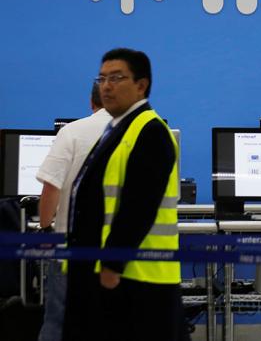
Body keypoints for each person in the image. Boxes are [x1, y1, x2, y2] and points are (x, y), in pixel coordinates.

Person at [63, 48, 185, 341]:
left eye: (116, 78)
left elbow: (139, 206)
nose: (106, 86)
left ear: (141, 85)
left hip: (134, 276)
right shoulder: (117, 129)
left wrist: (112, 264)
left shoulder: (150, 131)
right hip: (103, 268)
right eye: (102, 78)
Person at [35, 83, 111, 341]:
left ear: (91, 103)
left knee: (59, 321)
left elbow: (51, 186)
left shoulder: (73, 132)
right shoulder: (141, 134)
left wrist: (46, 227)